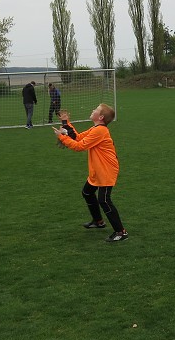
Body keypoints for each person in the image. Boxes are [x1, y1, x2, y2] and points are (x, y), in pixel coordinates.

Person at [54, 103, 128, 241]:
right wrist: (65, 122)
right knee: (87, 192)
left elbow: (79, 146)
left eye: (95, 110)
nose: (92, 110)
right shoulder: (96, 128)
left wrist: (62, 137)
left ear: (100, 117)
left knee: (104, 200)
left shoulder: (100, 131)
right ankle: (98, 222)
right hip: (98, 169)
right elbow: (78, 137)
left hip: (106, 170)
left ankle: (121, 232)